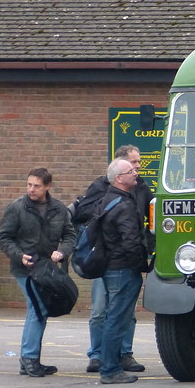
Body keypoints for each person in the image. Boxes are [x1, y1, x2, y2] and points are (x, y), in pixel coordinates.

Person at [73, 145, 153, 374]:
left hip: (117, 263)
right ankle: (102, 360)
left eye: (138, 163)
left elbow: (153, 216)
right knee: (106, 313)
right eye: (133, 164)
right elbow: (128, 239)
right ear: (119, 173)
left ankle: (122, 356)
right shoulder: (107, 191)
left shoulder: (140, 188)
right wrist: (141, 264)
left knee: (123, 315)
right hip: (113, 263)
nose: (138, 169)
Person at [0, 167, 76, 377]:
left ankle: (29, 360)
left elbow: (70, 235)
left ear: (47, 186)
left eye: (37, 186)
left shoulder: (59, 209)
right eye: (29, 184)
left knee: (39, 310)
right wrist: (19, 255)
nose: (31, 189)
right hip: (25, 267)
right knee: (38, 309)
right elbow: (4, 237)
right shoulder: (17, 208)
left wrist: (62, 251)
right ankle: (30, 359)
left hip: (46, 268)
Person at [95, 158, 151, 385]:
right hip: (122, 269)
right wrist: (141, 266)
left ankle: (109, 365)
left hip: (111, 267)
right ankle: (110, 370)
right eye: (130, 171)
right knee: (117, 320)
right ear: (119, 178)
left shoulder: (108, 200)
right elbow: (130, 242)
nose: (135, 173)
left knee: (113, 317)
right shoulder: (124, 205)